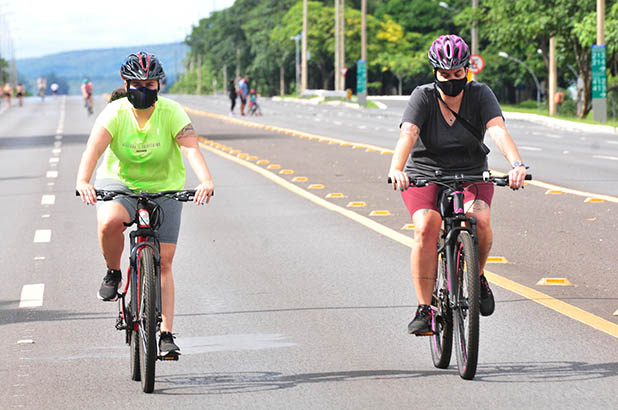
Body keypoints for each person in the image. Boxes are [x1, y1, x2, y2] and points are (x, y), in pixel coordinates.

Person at [75, 51, 215, 356]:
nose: (144, 89)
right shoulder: (114, 113)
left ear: (158, 84)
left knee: (164, 263)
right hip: (119, 182)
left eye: (150, 83)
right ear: (126, 84)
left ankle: (165, 333)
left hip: (165, 187)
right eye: (137, 83)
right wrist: (84, 181)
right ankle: (114, 272)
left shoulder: (172, 111)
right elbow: (93, 150)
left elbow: (191, 150)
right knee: (110, 221)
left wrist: (205, 181)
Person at [388, 34, 528, 335]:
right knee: (426, 226)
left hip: (471, 172)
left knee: (479, 219)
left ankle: (476, 277)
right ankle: (425, 308)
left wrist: (516, 164)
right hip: (424, 172)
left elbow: (498, 131)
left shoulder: (480, 94)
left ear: (467, 70)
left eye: (458, 73)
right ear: (434, 72)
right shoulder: (422, 96)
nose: (452, 80)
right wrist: (396, 169)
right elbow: (408, 134)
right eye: (445, 74)